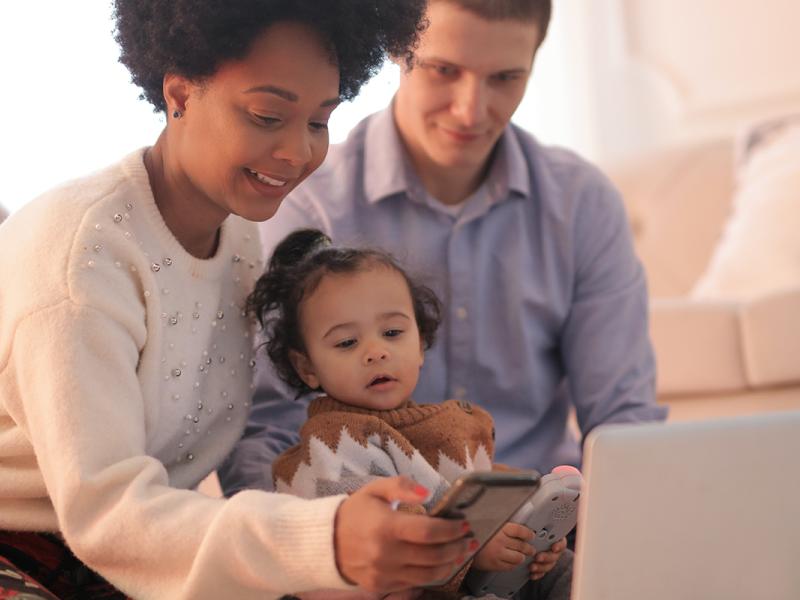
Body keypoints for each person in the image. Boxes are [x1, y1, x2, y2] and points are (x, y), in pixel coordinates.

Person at [0, 1, 479, 599]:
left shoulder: (239, 234)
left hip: (141, 556)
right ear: (179, 94)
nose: (298, 153)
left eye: (318, 122)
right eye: (266, 116)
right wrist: (325, 541)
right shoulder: (81, 259)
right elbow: (108, 515)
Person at [221, 0, 667, 530]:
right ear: (396, 50)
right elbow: (266, 426)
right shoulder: (305, 204)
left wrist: (623, 534)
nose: (470, 111)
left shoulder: (582, 203)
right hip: (370, 535)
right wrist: (303, 549)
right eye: (444, 70)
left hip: (544, 527)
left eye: (505, 78)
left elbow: (622, 422)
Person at [250, 228, 571, 600]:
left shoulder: (444, 426)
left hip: (464, 575)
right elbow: (387, 537)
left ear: (420, 343)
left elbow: (479, 488)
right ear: (307, 367)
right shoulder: (333, 443)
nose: (376, 352)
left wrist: (527, 527)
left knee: (567, 569)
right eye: (347, 342)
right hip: (396, 584)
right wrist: (473, 552)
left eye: (392, 332)